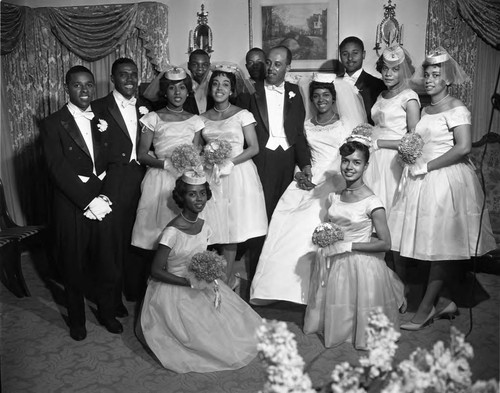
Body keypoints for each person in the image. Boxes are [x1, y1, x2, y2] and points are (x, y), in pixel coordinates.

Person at [389, 47, 496, 330]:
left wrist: (427, 166)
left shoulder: (457, 107)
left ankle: (425, 308)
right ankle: (444, 300)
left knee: (440, 247)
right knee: (427, 245)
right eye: (427, 74)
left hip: (445, 179)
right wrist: (411, 157)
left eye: (437, 75)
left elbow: (463, 148)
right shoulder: (425, 109)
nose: (430, 79)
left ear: (447, 80)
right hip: (421, 179)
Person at [250, 73, 366, 305]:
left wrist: (329, 179)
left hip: (336, 177)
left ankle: (309, 290)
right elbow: (301, 156)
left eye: (326, 95)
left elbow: (351, 157)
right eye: (316, 96)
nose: (321, 99)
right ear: (311, 100)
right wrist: (300, 173)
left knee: (310, 219)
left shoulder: (346, 124)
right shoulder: (306, 125)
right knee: (284, 218)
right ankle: (274, 289)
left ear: (334, 99)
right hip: (310, 177)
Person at [137, 173, 262, 373]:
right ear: (181, 198)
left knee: (230, 328)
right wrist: (188, 283)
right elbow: (155, 270)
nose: (199, 199)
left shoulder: (204, 226)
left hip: (200, 282)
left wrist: (207, 273)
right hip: (175, 288)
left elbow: (200, 255)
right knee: (198, 335)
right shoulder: (172, 232)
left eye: (202, 193)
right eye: (192, 195)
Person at [40, 66, 123, 340]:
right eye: (78, 85)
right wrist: (88, 201)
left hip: (103, 200)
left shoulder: (103, 118)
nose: (85, 90)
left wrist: (105, 197)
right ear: (67, 87)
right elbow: (57, 169)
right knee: (73, 265)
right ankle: (77, 320)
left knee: (107, 262)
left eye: (89, 85)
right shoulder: (53, 123)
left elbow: (112, 162)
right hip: (72, 204)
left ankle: (108, 313)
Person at [303, 136, 405, 349]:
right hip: (336, 260)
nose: (349, 167)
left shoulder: (372, 202)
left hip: (362, 264)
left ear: (366, 166)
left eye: (356, 162)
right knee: (339, 301)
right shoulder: (335, 197)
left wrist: (348, 246)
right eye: (346, 161)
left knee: (362, 305)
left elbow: (385, 243)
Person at [200, 66, 268, 290]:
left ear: (232, 90)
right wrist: (206, 160)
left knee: (231, 230)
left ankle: (227, 282)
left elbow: (254, 147)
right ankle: (214, 278)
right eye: (216, 84)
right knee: (212, 229)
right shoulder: (201, 119)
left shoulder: (243, 114)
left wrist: (231, 162)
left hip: (237, 175)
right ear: (210, 89)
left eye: (225, 84)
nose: (220, 88)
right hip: (212, 175)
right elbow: (196, 148)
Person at [92, 58, 150, 307]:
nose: (130, 79)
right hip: (113, 181)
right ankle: (112, 300)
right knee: (112, 242)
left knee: (138, 236)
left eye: (133, 74)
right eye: (124, 75)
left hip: (143, 178)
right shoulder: (97, 108)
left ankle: (134, 290)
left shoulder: (146, 106)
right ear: (113, 79)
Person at [131, 67, 204, 254]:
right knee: (158, 232)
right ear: (164, 91)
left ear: (188, 92)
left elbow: (195, 154)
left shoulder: (195, 120)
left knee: (182, 235)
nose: (177, 92)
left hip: (185, 180)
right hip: (160, 178)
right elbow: (142, 155)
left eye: (181, 88)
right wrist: (166, 164)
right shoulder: (152, 118)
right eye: (172, 88)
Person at [364, 45, 420, 218]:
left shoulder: (409, 97)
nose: (388, 74)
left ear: (403, 71)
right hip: (373, 154)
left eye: (395, 70)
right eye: (385, 69)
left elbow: (415, 141)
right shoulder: (381, 95)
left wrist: (379, 143)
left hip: (393, 159)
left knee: (388, 203)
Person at [339, 36, 386, 125]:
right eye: (345, 54)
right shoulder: (334, 83)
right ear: (340, 56)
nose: (350, 58)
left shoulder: (378, 85)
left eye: (355, 53)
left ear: (363, 54)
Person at [186, 49, 214, 114]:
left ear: (209, 66)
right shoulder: (183, 88)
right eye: (195, 64)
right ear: (188, 65)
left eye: (205, 65)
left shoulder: (214, 87)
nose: (200, 69)